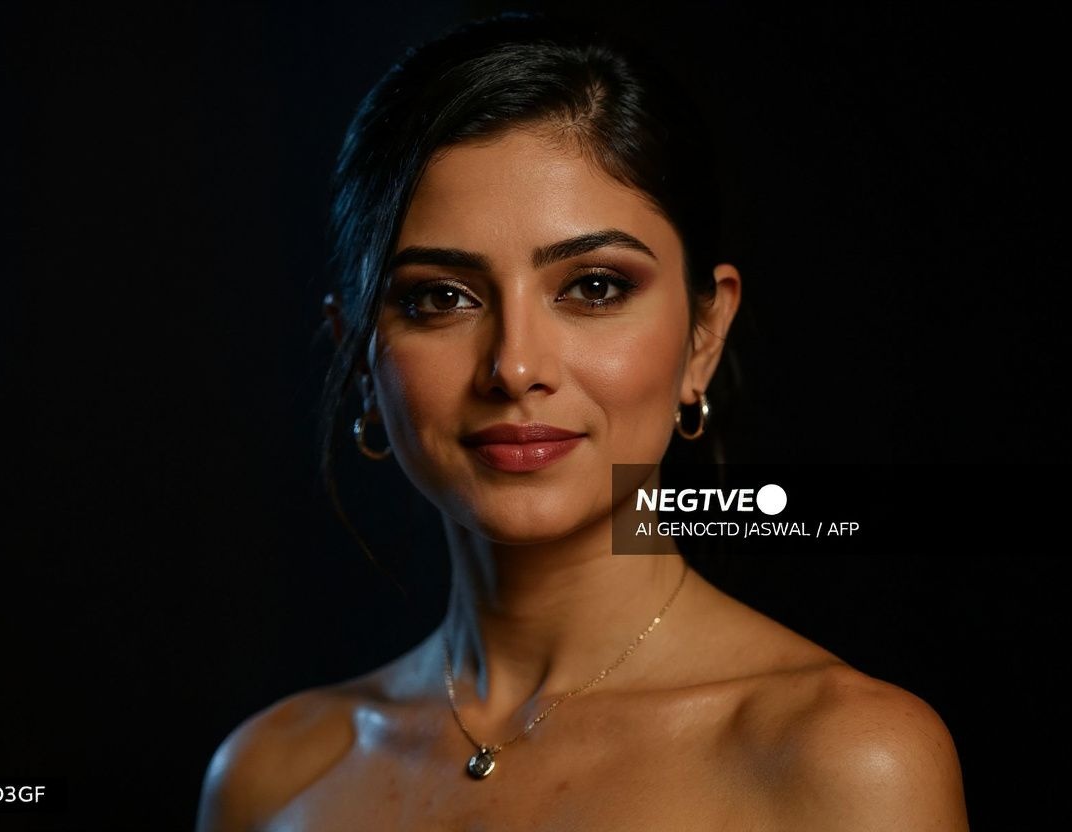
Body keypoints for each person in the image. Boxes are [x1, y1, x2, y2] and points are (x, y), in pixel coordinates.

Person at [196, 12, 968, 831]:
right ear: (358, 357)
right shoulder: (271, 779)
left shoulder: (844, 761)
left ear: (704, 335)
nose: (515, 367)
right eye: (441, 297)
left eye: (594, 287)